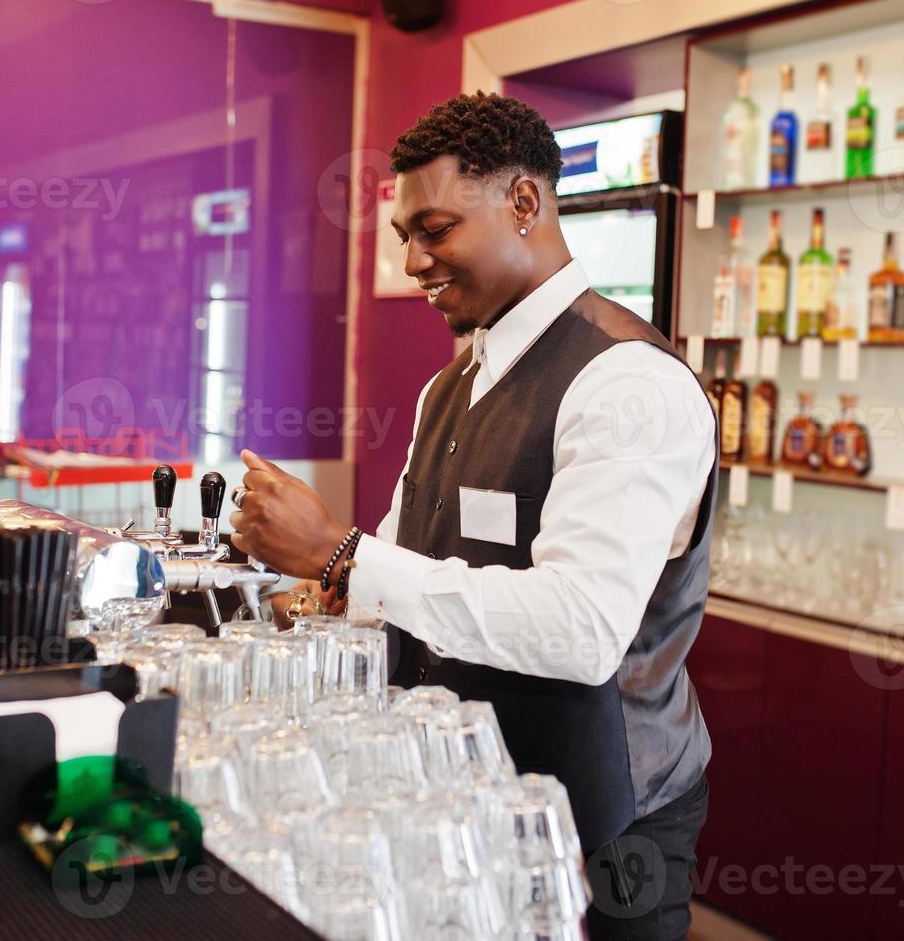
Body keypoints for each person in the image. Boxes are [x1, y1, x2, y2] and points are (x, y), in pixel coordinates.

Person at [230, 91, 717, 940]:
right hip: (459, 789)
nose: (415, 261)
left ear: (523, 203)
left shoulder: (628, 383)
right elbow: (410, 563)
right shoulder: (448, 386)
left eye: (436, 229)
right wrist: (305, 597)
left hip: (601, 813)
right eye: (405, 237)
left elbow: (581, 628)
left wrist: (340, 554)